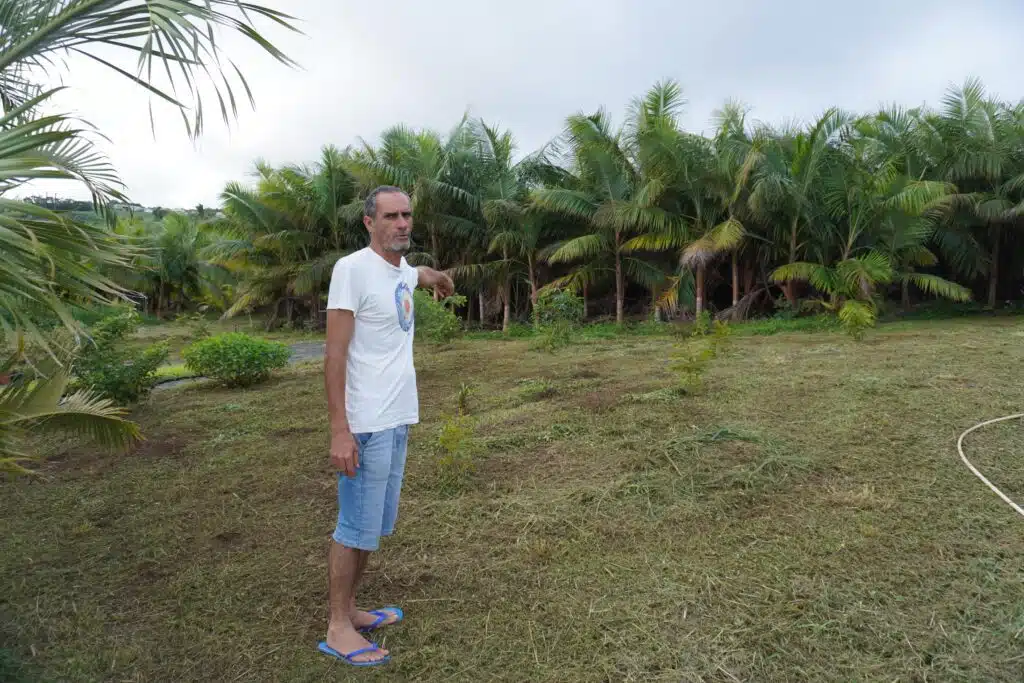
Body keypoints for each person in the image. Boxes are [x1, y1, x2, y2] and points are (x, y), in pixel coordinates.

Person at [318, 185, 454, 666]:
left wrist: (439, 278)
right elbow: (334, 354)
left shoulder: (401, 270)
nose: (402, 223)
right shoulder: (351, 269)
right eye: (391, 216)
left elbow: (418, 274)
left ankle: (352, 609)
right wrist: (340, 430)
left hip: (397, 417)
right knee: (354, 526)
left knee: (372, 526)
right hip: (366, 422)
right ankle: (338, 626)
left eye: (407, 215)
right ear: (369, 222)